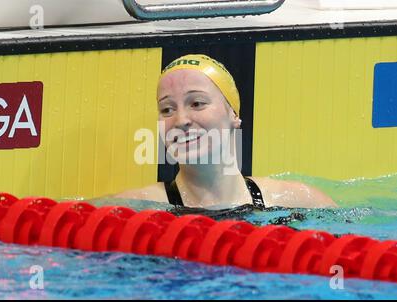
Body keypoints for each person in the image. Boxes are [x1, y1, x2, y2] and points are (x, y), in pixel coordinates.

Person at [115, 54, 337, 211]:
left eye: (197, 103)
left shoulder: (300, 200)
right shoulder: (137, 208)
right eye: (167, 109)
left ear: (233, 114)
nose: (181, 120)